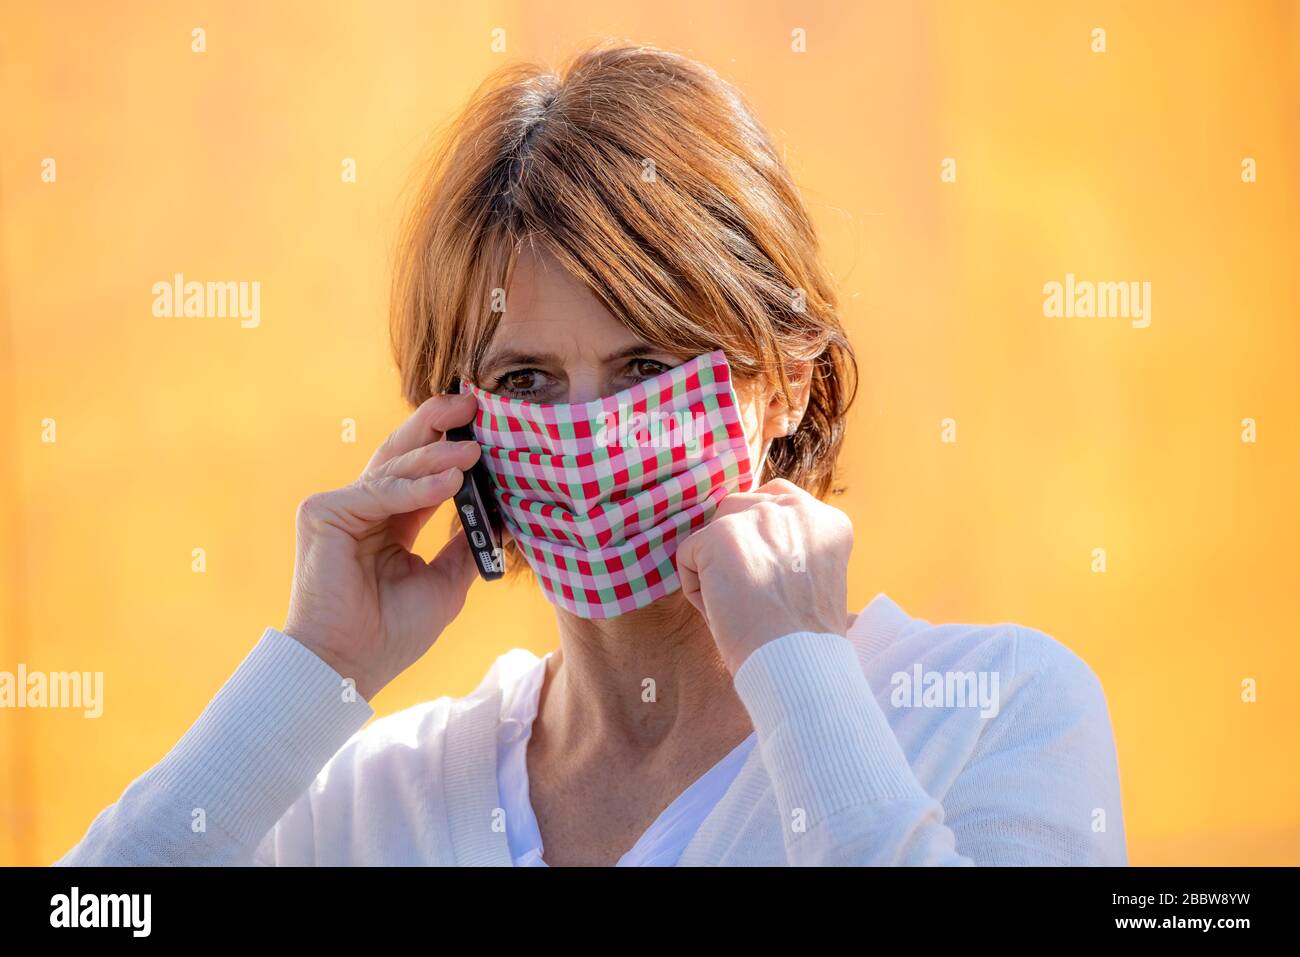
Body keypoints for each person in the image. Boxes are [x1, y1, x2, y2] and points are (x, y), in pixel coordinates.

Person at [56, 43, 1126, 867]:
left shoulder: (991, 708)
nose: (595, 434)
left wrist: (800, 681)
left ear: (783, 383)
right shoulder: (379, 795)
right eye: (526, 381)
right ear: (452, 424)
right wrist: (314, 672)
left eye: (648, 365)